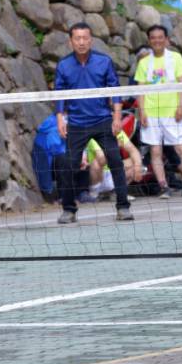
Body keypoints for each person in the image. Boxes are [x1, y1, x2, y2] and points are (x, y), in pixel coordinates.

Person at [53, 22, 134, 223]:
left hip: (103, 120)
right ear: (71, 41)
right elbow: (59, 95)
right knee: (68, 165)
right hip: (77, 123)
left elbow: (115, 92)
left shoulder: (104, 61)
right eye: (77, 38)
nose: (81, 42)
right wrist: (60, 119)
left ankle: (123, 207)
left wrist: (117, 118)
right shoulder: (63, 65)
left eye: (85, 38)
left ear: (91, 40)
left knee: (115, 160)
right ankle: (69, 210)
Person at [134, 25, 182, 199]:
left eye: (160, 37)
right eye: (153, 38)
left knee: (181, 148)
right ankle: (163, 186)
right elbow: (141, 90)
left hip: (172, 113)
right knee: (156, 151)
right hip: (152, 114)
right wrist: (142, 112)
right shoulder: (144, 63)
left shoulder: (175, 58)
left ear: (166, 39)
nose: (157, 41)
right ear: (149, 40)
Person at [84, 129, 143, 202]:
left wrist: (138, 166)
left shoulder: (118, 131)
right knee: (96, 163)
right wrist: (115, 145)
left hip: (113, 171)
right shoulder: (94, 133)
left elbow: (134, 151)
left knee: (135, 161)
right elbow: (102, 159)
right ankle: (95, 193)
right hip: (100, 175)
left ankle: (117, 192)